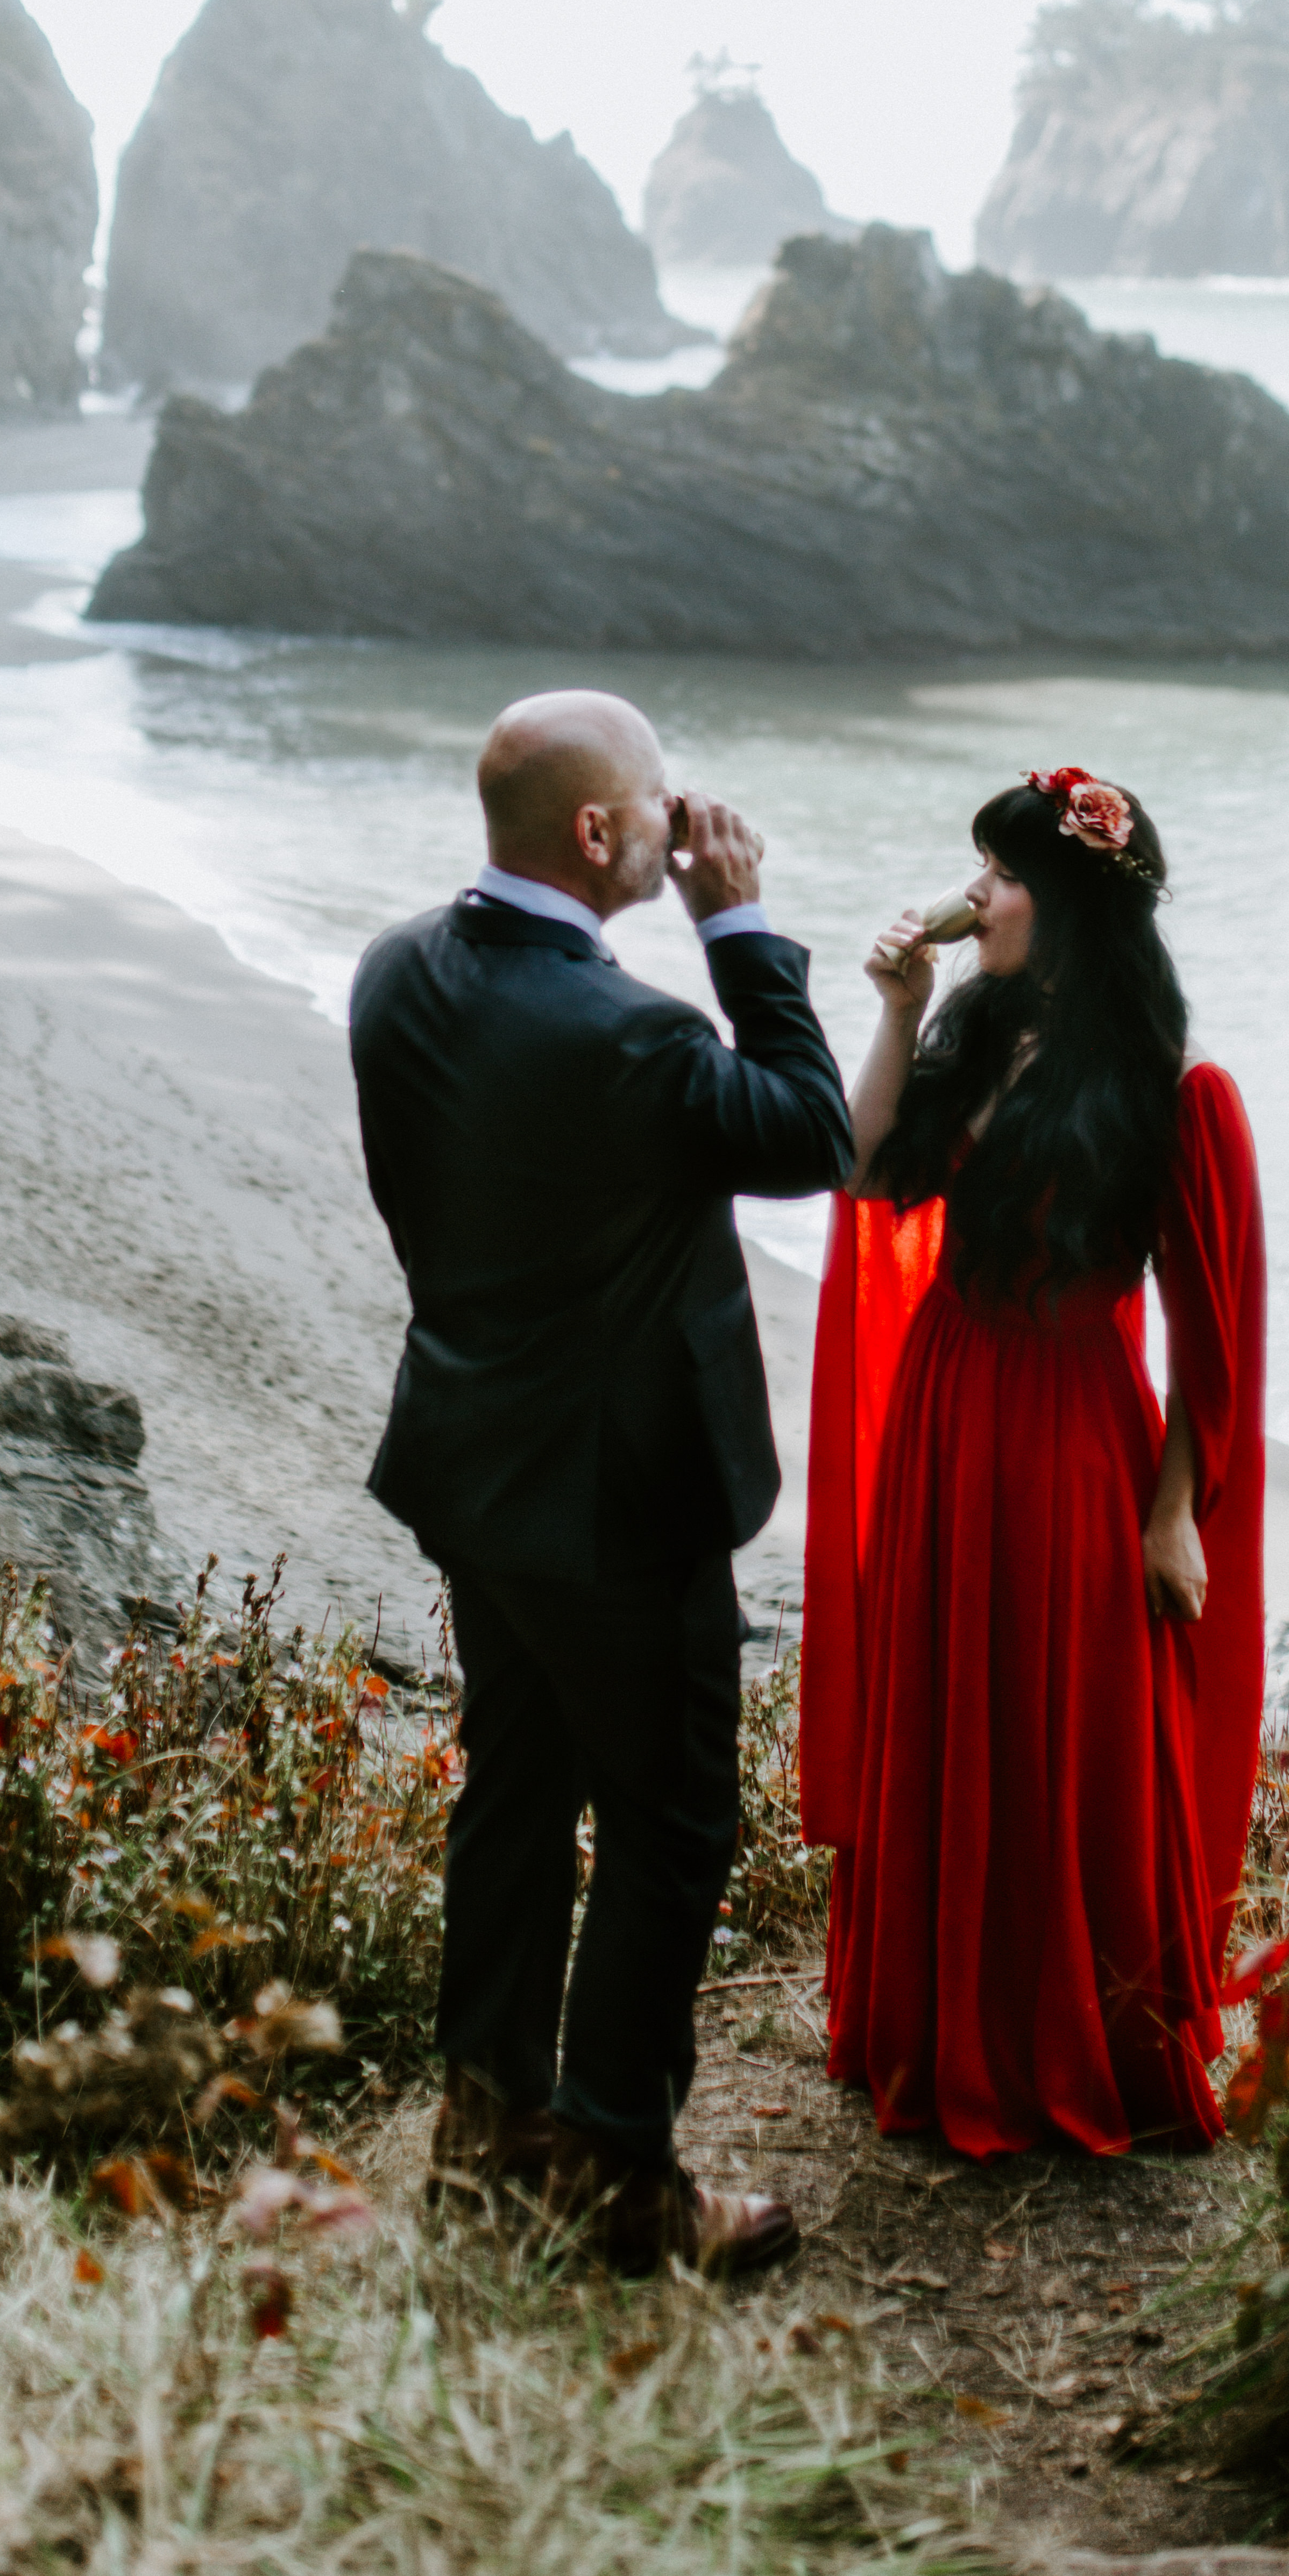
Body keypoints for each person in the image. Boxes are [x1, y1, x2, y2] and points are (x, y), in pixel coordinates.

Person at [350, 687, 853, 2270]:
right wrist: (743, 924)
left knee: (514, 1797)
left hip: (473, 1468)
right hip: (623, 1507)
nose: (676, 818)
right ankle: (621, 2177)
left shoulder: (393, 974)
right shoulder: (632, 1034)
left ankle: (486, 2134)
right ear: (596, 833)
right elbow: (812, 1131)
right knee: (668, 1826)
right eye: (657, 801)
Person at [798, 765, 1265, 2157]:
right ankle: (938, 2028)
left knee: (1060, 1726)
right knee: (946, 1698)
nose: (978, 896)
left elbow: (1209, 1343)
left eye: (1001, 875)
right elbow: (870, 1168)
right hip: (951, 1409)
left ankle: (1074, 2038)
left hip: (1073, 1433)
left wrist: (1174, 1511)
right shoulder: (970, 1024)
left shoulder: (1174, 1095)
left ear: (1058, 902)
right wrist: (890, 1015)